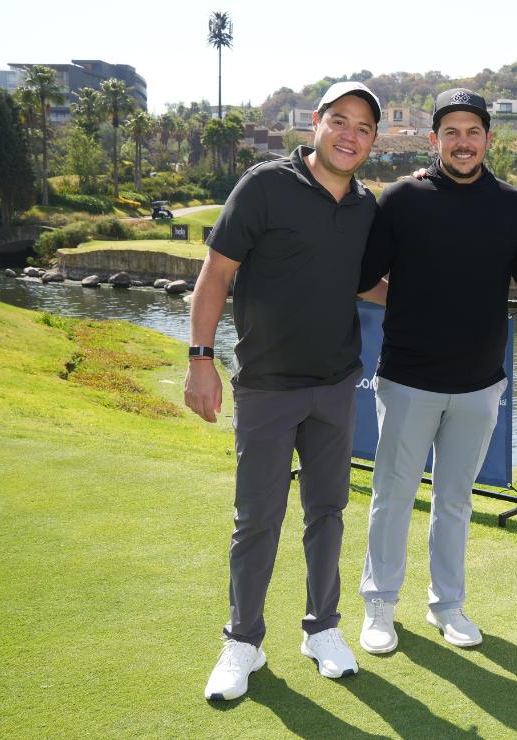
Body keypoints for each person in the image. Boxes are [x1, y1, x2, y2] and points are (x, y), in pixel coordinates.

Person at [186, 81, 381, 701]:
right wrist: (200, 360)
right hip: (267, 387)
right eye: (340, 121)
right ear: (316, 124)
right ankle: (243, 642)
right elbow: (217, 272)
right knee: (257, 519)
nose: (350, 135)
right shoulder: (265, 185)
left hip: (336, 386)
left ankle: (321, 628)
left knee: (328, 513)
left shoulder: (365, 208)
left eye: (364, 128)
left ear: (373, 141)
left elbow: (366, 286)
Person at [354, 88, 517, 655]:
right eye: (451, 132)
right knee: (393, 495)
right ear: (435, 140)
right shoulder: (402, 199)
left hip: (481, 383)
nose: (463, 143)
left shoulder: (512, 205)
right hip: (408, 378)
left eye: (473, 132)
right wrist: (413, 304)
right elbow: (363, 277)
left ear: (488, 139)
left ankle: (447, 607)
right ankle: (380, 607)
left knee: (455, 501)